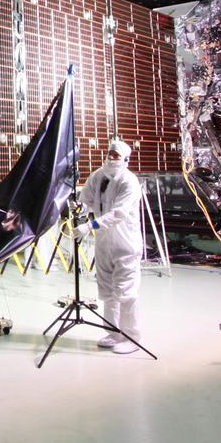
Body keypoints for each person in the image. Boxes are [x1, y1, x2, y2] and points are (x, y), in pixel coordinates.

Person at [76, 139, 144, 355]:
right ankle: (114, 333)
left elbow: (118, 214)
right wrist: (79, 208)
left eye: (117, 156)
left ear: (126, 159)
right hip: (104, 243)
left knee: (126, 293)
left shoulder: (129, 181)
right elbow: (86, 199)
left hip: (125, 244)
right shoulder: (98, 176)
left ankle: (132, 338)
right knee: (107, 292)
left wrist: (90, 226)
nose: (112, 159)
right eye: (110, 154)